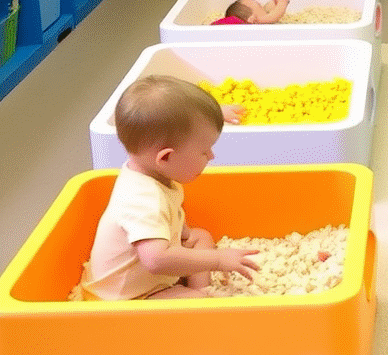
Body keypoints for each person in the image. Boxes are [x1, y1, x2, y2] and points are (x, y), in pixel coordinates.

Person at [80, 75, 258, 301]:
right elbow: (155, 260)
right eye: (204, 151)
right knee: (200, 302)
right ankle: (198, 297)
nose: (211, 156)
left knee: (200, 236)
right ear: (166, 157)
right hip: (125, 297)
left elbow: (169, 211)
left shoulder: (153, 171)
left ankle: (199, 291)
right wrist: (219, 260)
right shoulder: (142, 200)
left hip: (149, 273)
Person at [212, 0, 290, 26]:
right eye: (259, 6)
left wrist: (273, 3)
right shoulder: (252, 22)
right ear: (251, 19)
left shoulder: (243, 21)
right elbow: (273, 17)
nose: (262, 6)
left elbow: (266, 12)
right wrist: (282, 2)